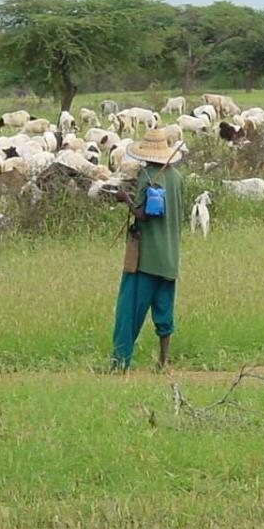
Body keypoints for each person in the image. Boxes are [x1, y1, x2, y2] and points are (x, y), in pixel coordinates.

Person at [110, 127, 184, 371]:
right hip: (170, 256)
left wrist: (125, 199)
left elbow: (143, 215)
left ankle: (120, 363)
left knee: (128, 310)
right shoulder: (176, 177)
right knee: (164, 309)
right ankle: (163, 362)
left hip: (145, 257)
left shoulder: (148, 176)